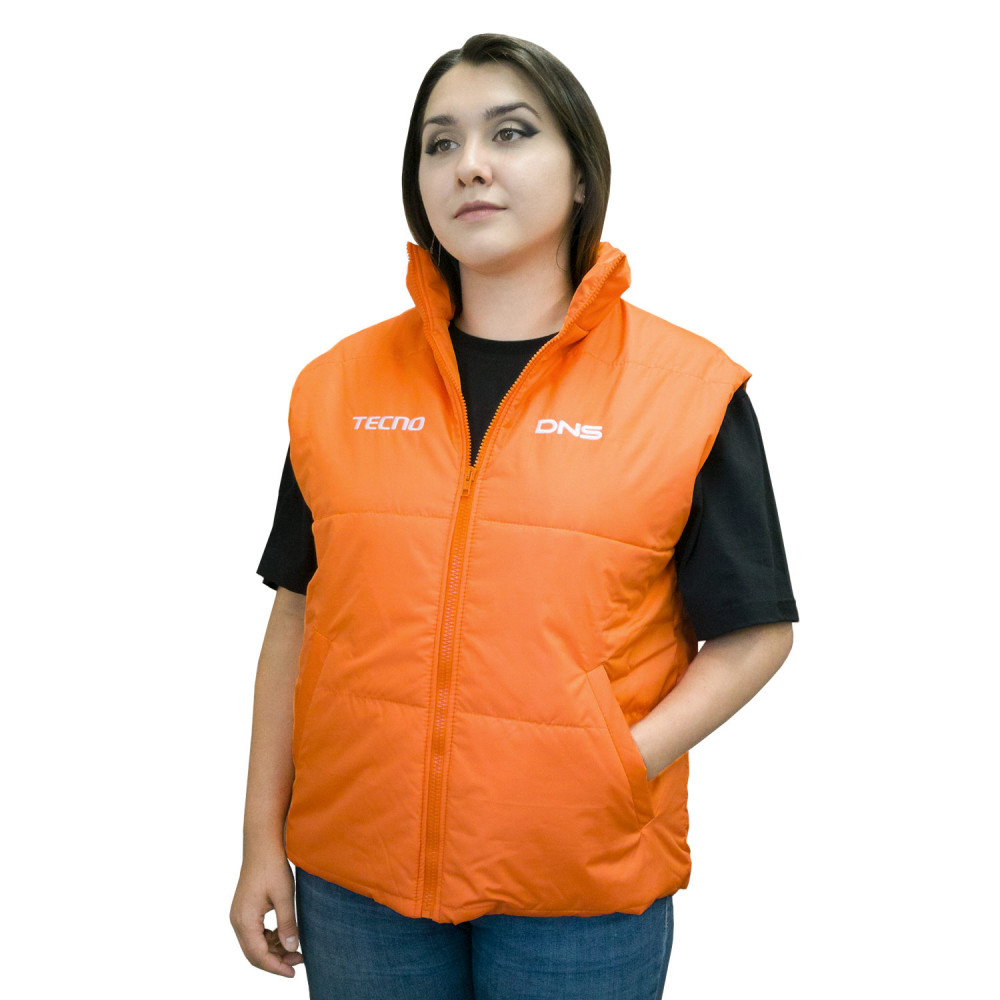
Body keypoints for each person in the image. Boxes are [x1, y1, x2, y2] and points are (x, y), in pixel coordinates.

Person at [230, 33, 798, 1000]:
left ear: (581, 174)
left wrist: (615, 765)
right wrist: (259, 841)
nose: (470, 164)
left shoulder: (688, 392)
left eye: (510, 132)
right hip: (356, 876)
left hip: (576, 882)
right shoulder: (336, 387)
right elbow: (297, 613)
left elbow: (756, 632)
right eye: (439, 143)